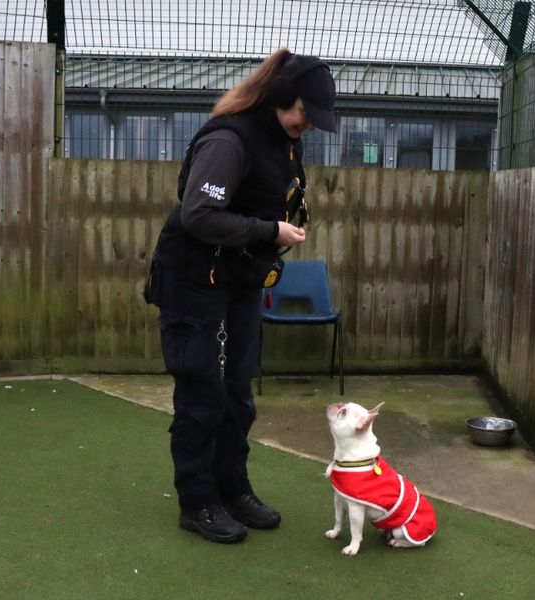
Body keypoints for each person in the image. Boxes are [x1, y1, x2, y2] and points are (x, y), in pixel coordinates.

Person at [144, 48, 337, 544]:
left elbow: (274, 194)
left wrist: (284, 226)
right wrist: (269, 230)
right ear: (281, 98)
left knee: (237, 394)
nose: (310, 125)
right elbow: (199, 215)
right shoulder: (229, 140)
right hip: (193, 279)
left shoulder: (285, 140)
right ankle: (198, 501)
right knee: (202, 394)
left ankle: (233, 488)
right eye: (306, 113)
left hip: (239, 282)